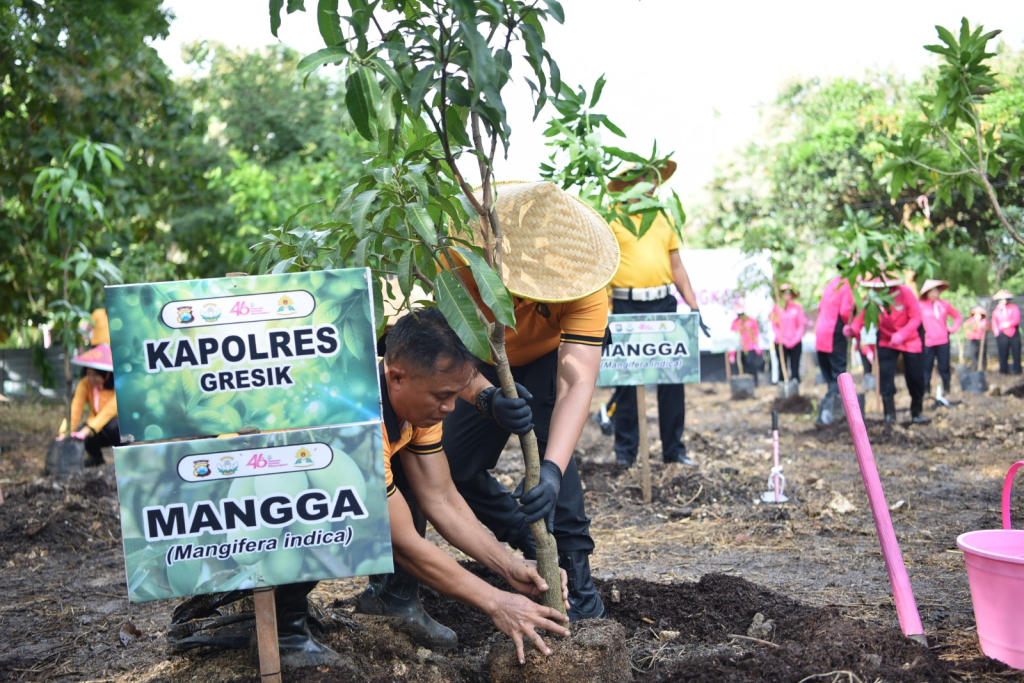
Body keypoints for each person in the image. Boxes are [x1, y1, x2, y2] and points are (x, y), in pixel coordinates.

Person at [172, 309, 570, 669]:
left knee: (403, 487)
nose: (450, 408)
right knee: (327, 504)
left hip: (275, 486)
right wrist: (496, 602)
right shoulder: (356, 422)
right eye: (443, 396)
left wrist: (508, 566)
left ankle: (390, 602)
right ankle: (284, 628)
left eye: (455, 395)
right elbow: (398, 542)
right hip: (225, 499)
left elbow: (441, 497)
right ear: (396, 375)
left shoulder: (419, 405)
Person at [437, 181, 615, 622]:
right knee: (455, 465)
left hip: (544, 359)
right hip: (472, 359)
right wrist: (486, 397)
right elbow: (436, 350)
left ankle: (576, 574)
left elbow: (577, 381)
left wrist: (551, 471)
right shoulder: (455, 261)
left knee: (556, 447)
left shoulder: (585, 283)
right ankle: (531, 539)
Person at [604, 159, 710, 468]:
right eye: (642, 179)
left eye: (652, 179)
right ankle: (625, 453)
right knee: (625, 382)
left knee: (673, 377)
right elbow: (605, 269)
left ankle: (673, 451)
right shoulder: (613, 218)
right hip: (624, 306)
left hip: (664, 304)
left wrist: (694, 306)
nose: (650, 185)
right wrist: (604, 313)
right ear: (628, 185)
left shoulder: (664, 217)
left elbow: (677, 266)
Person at [845, 274, 929, 424]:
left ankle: (916, 412)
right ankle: (889, 416)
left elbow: (916, 317)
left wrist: (902, 334)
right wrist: (852, 330)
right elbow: (861, 321)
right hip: (886, 340)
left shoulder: (905, 293)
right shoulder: (870, 299)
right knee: (885, 376)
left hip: (910, 339)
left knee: (915, 377)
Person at [55, 343, 118, 467]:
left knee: (112, 426)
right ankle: (97, 459)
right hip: (97, 427)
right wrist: (64, 431)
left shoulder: (118, 384)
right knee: (82, 436)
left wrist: (87, 430)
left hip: (117, 429)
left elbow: (109, 412)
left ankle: (123, 459)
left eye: (95, 375)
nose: (91, 378)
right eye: (88, 374)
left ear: (106, 374)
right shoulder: (84, 384)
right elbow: (76, 408)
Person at [814, 271, 854, 425]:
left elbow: (820, 307)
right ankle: (829, 415)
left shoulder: (831, 284)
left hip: (821, 333)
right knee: (839, 377)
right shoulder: (847, 285)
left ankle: (823, 414)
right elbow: (845, 311)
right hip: (834, 334)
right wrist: (851, 325)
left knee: (830, 378)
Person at [918, 279, 961, 406]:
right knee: (927, 367)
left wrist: (952, 329)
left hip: (943, 340)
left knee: (944, 366)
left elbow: (957, 317)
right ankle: (926, 391)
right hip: (928, 342)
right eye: (931, 291)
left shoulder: (944, 305)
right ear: (926, 293)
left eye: (936, 291)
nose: (934, 294)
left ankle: (947, 389)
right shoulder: (921, 306)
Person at [771, 283, 805, 383]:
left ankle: (795, 387)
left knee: (795, 366)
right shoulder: (776, 309)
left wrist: (795, 340)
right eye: (784, 293)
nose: (786, 296)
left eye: (788, 293)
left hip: (795, 342)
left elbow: (801, 325)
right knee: (782, 367)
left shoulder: (797, 308)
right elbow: (774, 326)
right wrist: (783, 340)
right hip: (781, 343)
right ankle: (783, 388)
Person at [730, 308, 763, 386]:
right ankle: (745, 384)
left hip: (750, 347)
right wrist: (732, 354)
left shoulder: (751, 321)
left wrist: (757, 346)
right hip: (739, 349)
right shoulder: (735, 323)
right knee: (743, 366)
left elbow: (755, 334)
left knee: (751, 365)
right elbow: (733, 338)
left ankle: (754, 382)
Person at [992, 290, 1021, 375]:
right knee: (1003, 353)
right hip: (1002, 335)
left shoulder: (1013, 307)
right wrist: (996, 332)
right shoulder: (996, 310)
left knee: (1016, 352)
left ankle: (1017, 370)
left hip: (1014, 333)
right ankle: (1003, 370)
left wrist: (1007, 324)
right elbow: (994, 322)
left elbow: (1016, 319)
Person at [963, 306, 989, 370]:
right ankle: (975, 367)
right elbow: (967, 329)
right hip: (973, 340)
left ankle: (983, 367)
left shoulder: (984, 321)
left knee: (983, 354)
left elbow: (988, 329)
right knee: (973, 354)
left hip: (981, 340)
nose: (978, 316)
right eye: (977, 314)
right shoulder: (969, 321)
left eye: (979, 315)